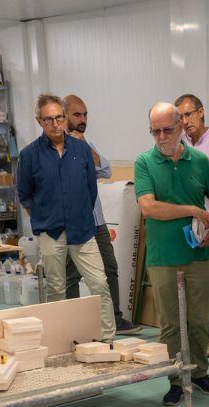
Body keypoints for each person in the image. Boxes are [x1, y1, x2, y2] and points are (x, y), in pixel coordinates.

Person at [135, 102, 209, 406]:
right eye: (155, 131)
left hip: (198, 255)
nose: (161, 136)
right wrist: (191, 210)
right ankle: (175, 378)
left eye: (167, 129)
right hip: (162, 256)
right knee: (171, 323)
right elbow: (148, 207)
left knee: (199, 320)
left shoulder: (199, 161)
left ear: (181, 127)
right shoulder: (144, 163)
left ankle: (199, 373)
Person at [17, 94, 115, 340]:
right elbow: (25, 194)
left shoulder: (81, 149)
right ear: (40, 121)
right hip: (50, 233)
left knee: (99, 283)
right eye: (49, 119)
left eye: (59, 117)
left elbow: (91, 188)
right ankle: (59, 339)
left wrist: (79, 213)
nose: (55, 123)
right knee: (57, 289)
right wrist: (44, 218)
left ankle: (107, 338)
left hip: (83, 230)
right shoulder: (29, 155)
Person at [61, 94, 140, 334]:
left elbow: (105, 170)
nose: (83, 119)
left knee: (110, 267)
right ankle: (72, 324)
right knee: (70, 275)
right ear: (64, 116)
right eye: (77, 115)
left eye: (85, 114)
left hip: (96, 220)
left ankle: (115, 319)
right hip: (71, 224)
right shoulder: (57, 148)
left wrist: (85, 146)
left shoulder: (86, 143)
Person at [176, 94, 209, 357]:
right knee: (181, 278)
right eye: (181, 117)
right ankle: (185, 335)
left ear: (201, 112)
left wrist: (187, 191)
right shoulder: (176, 142)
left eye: (188, 114)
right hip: (180, 223)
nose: (185, 121)